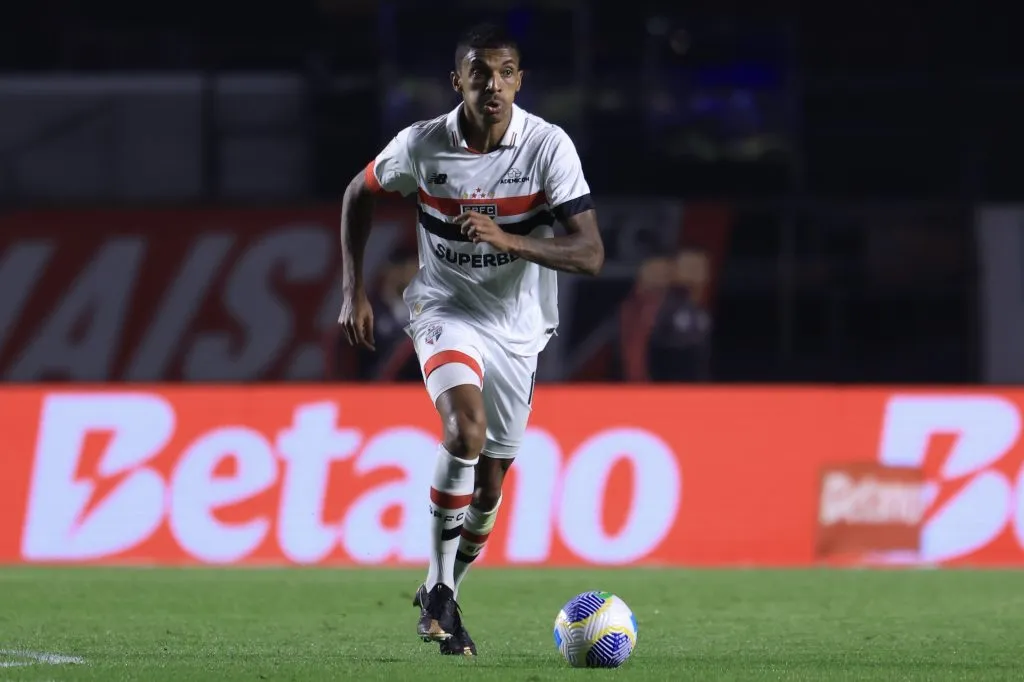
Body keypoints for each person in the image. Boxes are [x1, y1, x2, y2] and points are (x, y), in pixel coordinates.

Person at [337, 22, 604, 657]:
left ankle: (444, 589)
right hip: (444, 308)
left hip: (518, 330)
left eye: (505, 72)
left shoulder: (547, 147)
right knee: (465, 431)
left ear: (520, 80)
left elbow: (591, 253)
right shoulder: (423, 145)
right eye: (479, 72)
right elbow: (358, 193)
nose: (493, 84)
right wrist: (352, 291)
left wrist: (509, 239)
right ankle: (436, 593)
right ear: (457, 80)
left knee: (489, 489)